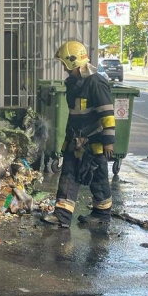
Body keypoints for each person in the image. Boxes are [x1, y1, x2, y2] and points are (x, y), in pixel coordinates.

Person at [42, 40, 115, 228]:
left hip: (94, 143)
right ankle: (62, 216)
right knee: (68, 175)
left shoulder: (96, 83)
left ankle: (101, 214)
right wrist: (68, 142)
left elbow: (107, 114)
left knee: (97, 179)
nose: (64, 70)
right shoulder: (75, 84)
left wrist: (108, 142)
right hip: (77, 142)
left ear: (73, 62)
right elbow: (75, 117)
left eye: (65, 65)